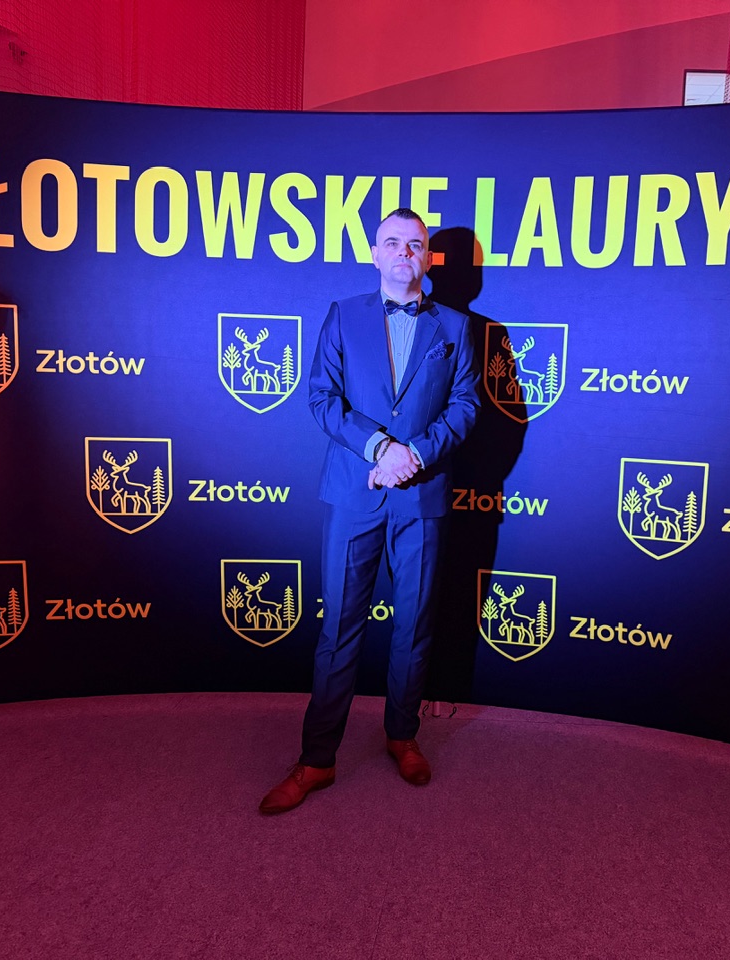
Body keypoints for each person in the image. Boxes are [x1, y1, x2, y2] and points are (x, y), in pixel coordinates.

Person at [260, 208, 479, 815]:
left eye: (416, 244)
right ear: (375, 253)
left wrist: (415, 455)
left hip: (422, 495)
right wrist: (380, 449)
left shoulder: (457, 327)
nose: (404, 252)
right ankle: (317, 759)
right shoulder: (342, 315)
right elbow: (321, 397)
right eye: (393, 242)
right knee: (338, 628)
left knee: (414, 625)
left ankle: (402, 736)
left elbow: (465, 406)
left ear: (428, 257)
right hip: (354, 492)